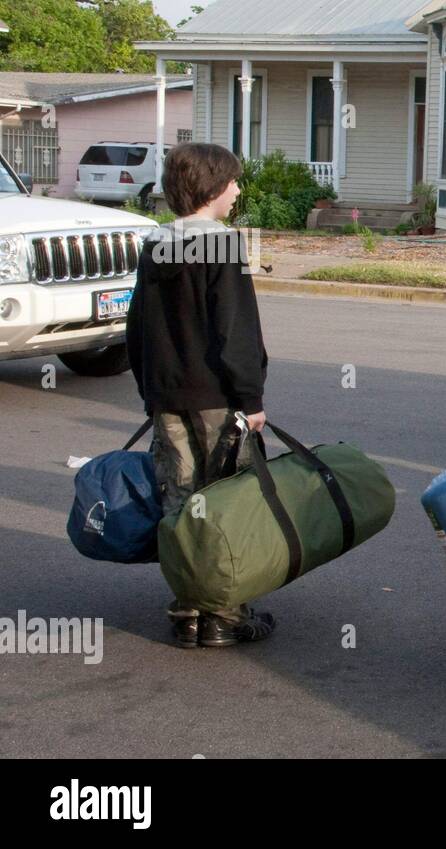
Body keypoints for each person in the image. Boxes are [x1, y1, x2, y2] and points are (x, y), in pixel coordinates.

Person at [126, 142, 274, 648]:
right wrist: (251, 399)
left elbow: (137, 327)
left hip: (168, 396)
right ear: (211, 187)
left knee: (181, 500)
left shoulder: (155, 245)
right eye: (232, 181)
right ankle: (225, 615)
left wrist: (150, 390)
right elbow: (236, 333)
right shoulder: (223, 246)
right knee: (228, 501)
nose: (236, 190)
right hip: (217, 398)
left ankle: (187, 609)